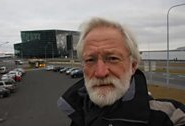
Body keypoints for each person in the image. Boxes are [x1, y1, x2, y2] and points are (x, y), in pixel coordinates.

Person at [57, 17, 185, 126]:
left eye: (112, 58)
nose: (100, 73)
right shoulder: (79, 112)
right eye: (90, 60)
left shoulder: (167, 116)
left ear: (133, 66)